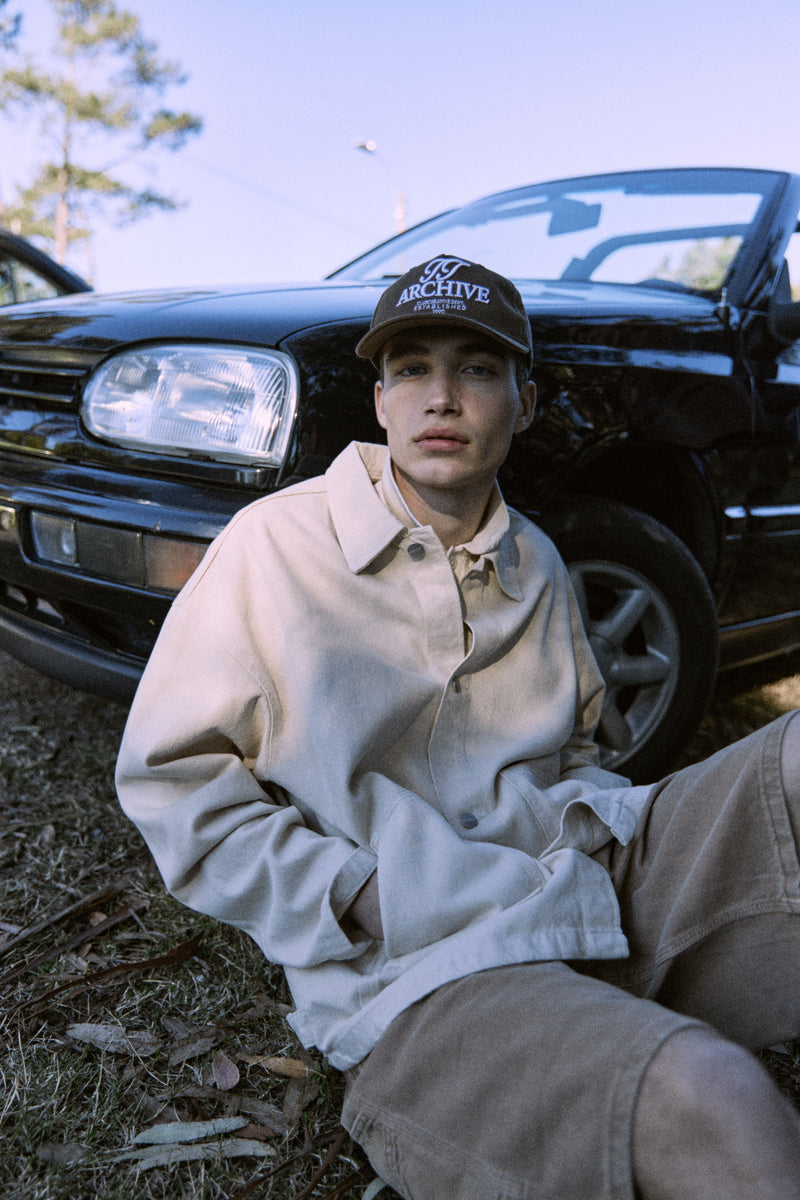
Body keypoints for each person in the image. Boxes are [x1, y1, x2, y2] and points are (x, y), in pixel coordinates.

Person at [116, 254, 800, 1199]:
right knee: (718, 1099)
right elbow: (173, 780)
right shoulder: (272, 545)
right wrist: (355, 896)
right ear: (382, 402)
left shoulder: (540, 562)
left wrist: (609, 818)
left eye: (477, 368)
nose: (442, 396)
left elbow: (577, 750)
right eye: (412, 369)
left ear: (524, 403)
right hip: (421, 961)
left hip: (578, 880)